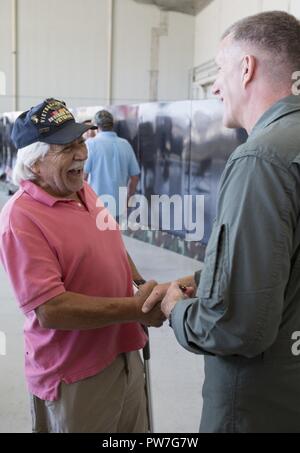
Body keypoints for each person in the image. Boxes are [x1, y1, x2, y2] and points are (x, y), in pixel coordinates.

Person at [143, 11, 300, 433]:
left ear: (246, 68)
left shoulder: (260, 159)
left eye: (219, 70)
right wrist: (212, 274)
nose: (214, 85)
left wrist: (178, 309)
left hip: (258, 404)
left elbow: (236, 327)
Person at [0, 98, 165, 433]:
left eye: (80, 142)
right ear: (34, 163)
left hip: (125, 352)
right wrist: (135, 309)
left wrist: (138, 283)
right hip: (75, 374)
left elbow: (111, 242)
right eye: (66, 147)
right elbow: (52, 309)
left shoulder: (81, 189)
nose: (82, 154)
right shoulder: (21, 218)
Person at [84, 110, 140, 221]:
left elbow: (82, 177)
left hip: (95, 204)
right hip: (118, 204)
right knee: (114, 236)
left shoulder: (91, 144)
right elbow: (135, 177)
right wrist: (128, 199)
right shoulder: (125, 144)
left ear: (96, 126)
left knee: (96, 237)